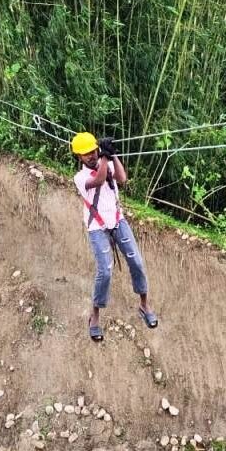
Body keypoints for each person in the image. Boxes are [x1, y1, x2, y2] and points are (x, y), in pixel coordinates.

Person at [71, 133, 157, 342]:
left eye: (93, 151)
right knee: (105, 271)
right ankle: (95, 316)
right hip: (97, 227)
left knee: (136, 261)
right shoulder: (80, 178)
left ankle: (144, 305)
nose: (91, 156)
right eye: (86, 154)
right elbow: (99, 179)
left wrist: (113, 154)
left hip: (118, 221)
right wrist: (104, 157)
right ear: (79, 157)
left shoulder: (105, 162)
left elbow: (122, 179)